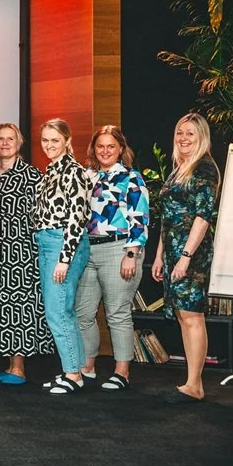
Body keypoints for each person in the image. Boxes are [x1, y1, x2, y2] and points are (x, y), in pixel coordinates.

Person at [75, 125, 150, 391]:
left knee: (117, 313)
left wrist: (131, 254)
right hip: (87, 250)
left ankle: (122, 372)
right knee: (83, 313)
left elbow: (139, 219)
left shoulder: (131, 178)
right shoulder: (87, 176)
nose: (105, 151)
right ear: (93, 149)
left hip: (119, 249)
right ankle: (87, 367)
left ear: (120, 149)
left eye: (111, 146)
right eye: (100, 146)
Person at [152, 112, 220, 404]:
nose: (183, 138)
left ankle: (195, 384)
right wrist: (159, 256)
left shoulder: (204, 168)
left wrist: (185, 257)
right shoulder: (178, 169)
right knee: (182, 315)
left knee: (192, 316)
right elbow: (168, 218)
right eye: (180, 132)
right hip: (173, 253)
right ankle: (191, 382)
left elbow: (203, 217)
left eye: (190, 133)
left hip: (192, 254)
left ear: (201, 137)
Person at [0, 123, 54, 386]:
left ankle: (19, 368)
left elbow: (42, 216)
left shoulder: (32, 175)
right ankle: (10, 366)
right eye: (0, 138)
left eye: (10, 139)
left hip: (21, 253)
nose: (4, 143)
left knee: (19, 307)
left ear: (19, 143)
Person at [34, 118, 92, 395]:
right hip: (48, 242)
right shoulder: (51, 170)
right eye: (45, 140)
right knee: (62, 310)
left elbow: (76, 219)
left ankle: (73, 374)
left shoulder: (73, 171)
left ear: (67, 141)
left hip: (63, 244)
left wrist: (64, 259)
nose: (49, 145)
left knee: (58, 312)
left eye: (55, 140)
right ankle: (75, 369)